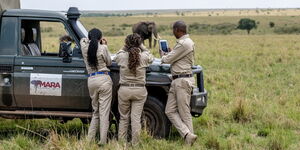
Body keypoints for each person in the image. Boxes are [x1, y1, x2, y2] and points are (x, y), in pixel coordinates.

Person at [160, 21, 197, 146]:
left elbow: (167, 60)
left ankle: (189, 141)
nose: (173, 32)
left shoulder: (183, 43)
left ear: (177, 30)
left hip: (182, 81)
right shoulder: (187, 42)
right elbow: (176, 57)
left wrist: (164, 55)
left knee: (184, 111)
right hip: (177, 81)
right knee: (169, 110)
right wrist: (171, 53)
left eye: (173, 30)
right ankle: (187, 134)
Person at [114, 33, 154, 145]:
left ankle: (121, 143)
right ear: (139, 43)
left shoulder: (121, 56)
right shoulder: (145, 57)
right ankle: (135, 143)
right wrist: (142, 46)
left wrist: (124, 46)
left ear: (127, 44)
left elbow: (117, 55)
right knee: (135, 118)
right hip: (140, 91)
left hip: (124, 90)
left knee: (124, 118)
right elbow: (150, 55)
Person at [80, 28, 112, 145]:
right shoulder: (103, 48)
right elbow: (109, 63)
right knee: (104, 112)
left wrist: (91, 40)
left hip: (91, 80)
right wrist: (103, 44)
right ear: (100, 38)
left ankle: (90, 139)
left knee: (96, 112)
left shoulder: (84, 48)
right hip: (103, 79)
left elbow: (82, 40)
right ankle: (102, 141)